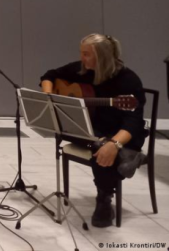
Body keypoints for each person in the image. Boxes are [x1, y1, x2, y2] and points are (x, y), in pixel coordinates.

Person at [41, 33, 146, 228]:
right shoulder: (82, 70)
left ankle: (104, 199)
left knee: (102, 148)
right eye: (81, 53)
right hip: (92, 130)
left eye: (86, 54)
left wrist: (114, 143)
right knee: (69, 130)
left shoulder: (128, 80)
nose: (82, 58)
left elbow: (133, 121)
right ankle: (124, 156)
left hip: (121, 133)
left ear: (102, 56)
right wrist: (49, 97)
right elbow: (50, 75)